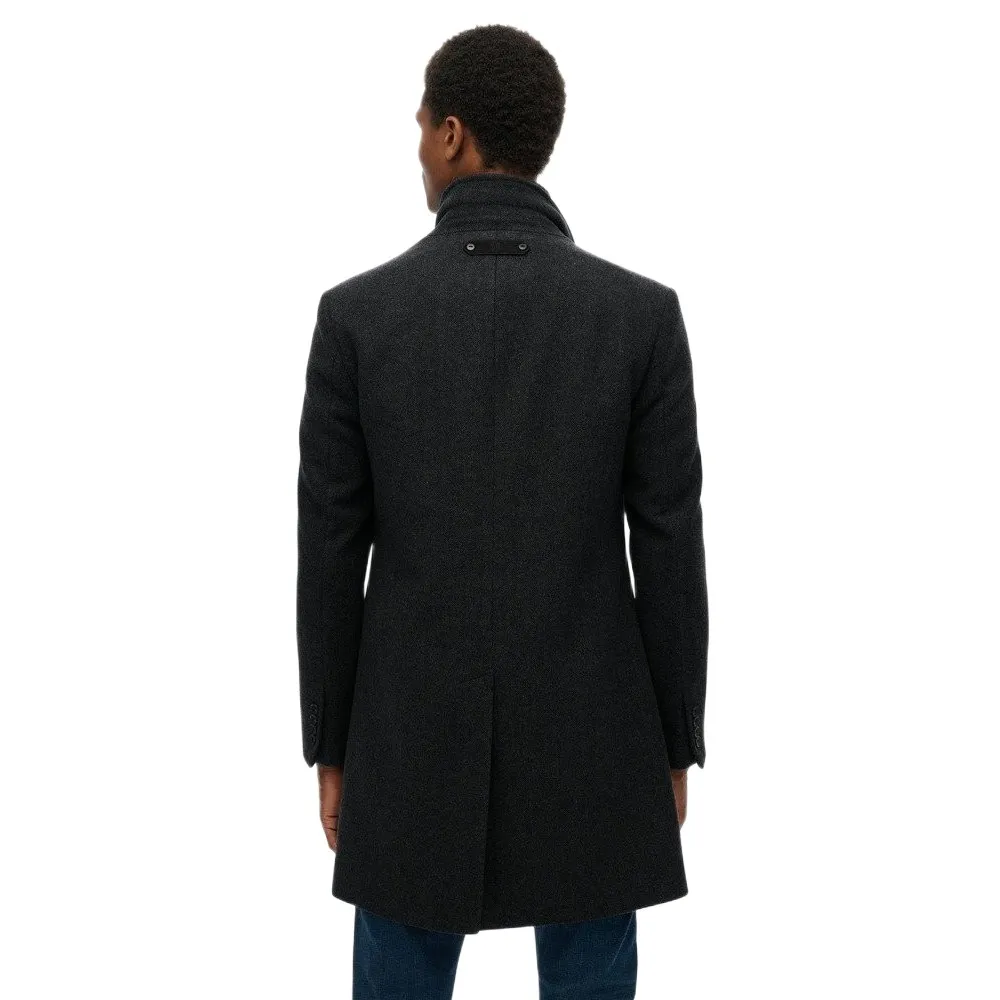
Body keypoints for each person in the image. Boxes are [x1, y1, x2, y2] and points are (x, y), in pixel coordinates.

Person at [296, 23, 709, 1000]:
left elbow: (329, 553)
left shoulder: (356, 317)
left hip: (406, 736)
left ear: (452, 134)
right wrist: (674, 742)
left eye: (419, 126)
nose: (416, 148)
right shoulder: (640, 317)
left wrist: (331, 743)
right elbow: (670, 546)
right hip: (597, 735)